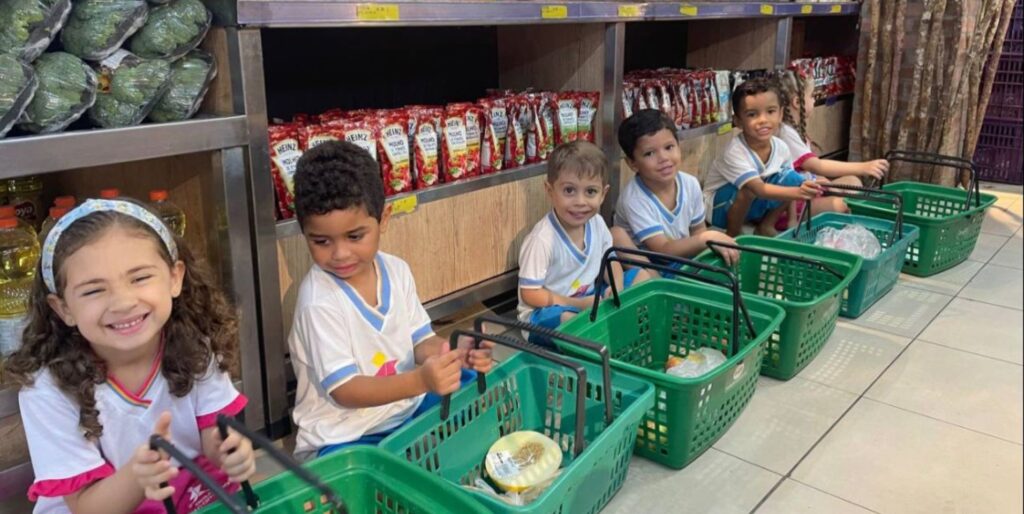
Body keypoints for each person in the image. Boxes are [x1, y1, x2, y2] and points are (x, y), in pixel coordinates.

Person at [5, 198, 254, 514]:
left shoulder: (194, 345)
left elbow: (212, 434)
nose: (123, 302)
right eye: (94, 290)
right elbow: (85, 506)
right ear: (63, 308)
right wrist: (139, 474)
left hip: (179, 489)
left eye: (139, 278)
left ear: (175, 278)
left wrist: (230, 451)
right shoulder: (47, 389)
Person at [287, 141, 493, 461]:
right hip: (346, 433)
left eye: (355, 236)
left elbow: (420, 340)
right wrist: (419, 380)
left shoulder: (396, 271)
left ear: (383, 219)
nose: (340, 254)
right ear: (304, 233)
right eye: (321, 241)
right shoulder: (319, 301)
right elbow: (346, 390)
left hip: (402, 410)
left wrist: (454, 354)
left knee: (471, 385)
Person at [517, 141, 653, 341]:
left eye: (590, 192)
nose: (580, 202)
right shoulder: (542, 240)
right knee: (568, 319)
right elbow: (530, 294)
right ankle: (606, 336)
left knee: (642, 276)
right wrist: (578, 304)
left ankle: (623, 329)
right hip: (548, 310)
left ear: (603, 194)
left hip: (591, 297)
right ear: (550, 190)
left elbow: (610, 260)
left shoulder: (597, 223)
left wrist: (617, 290)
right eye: (569, 191)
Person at [614, 109, 739, 263]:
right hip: (651, 267)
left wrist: (701, 256)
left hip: (681, 259)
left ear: (679, 146)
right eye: (649, 153)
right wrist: (706, 238)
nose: (663, 158)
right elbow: (662, 249)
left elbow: (698, 230)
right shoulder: (634, 199)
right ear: (632, 163)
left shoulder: (690, 184)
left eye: (669, 147)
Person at [704, 77, 821, 236]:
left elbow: (790, 183)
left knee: (792, 178)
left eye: (771, 112)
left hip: (754, 206)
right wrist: (799, 192)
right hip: (719, 211)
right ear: (738, 121)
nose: (763, 120)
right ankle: (734, 234)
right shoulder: (734, 151)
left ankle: (766, 225)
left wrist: (792, 220)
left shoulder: (781, 147)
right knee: (749, 190)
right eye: (752, 114)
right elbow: (758, 189)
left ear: (780, 114)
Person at [775, 69, 890, 218]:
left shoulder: (794, 130)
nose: (814, 100)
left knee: (853, 182)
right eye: (811, 96)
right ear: (797, 102)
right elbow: (817, 165)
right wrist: (864, 167)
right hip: (795, 203)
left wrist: (814, 179)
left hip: (808, 190)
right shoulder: (785, 133)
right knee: (843, 204)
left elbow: (806, 169)